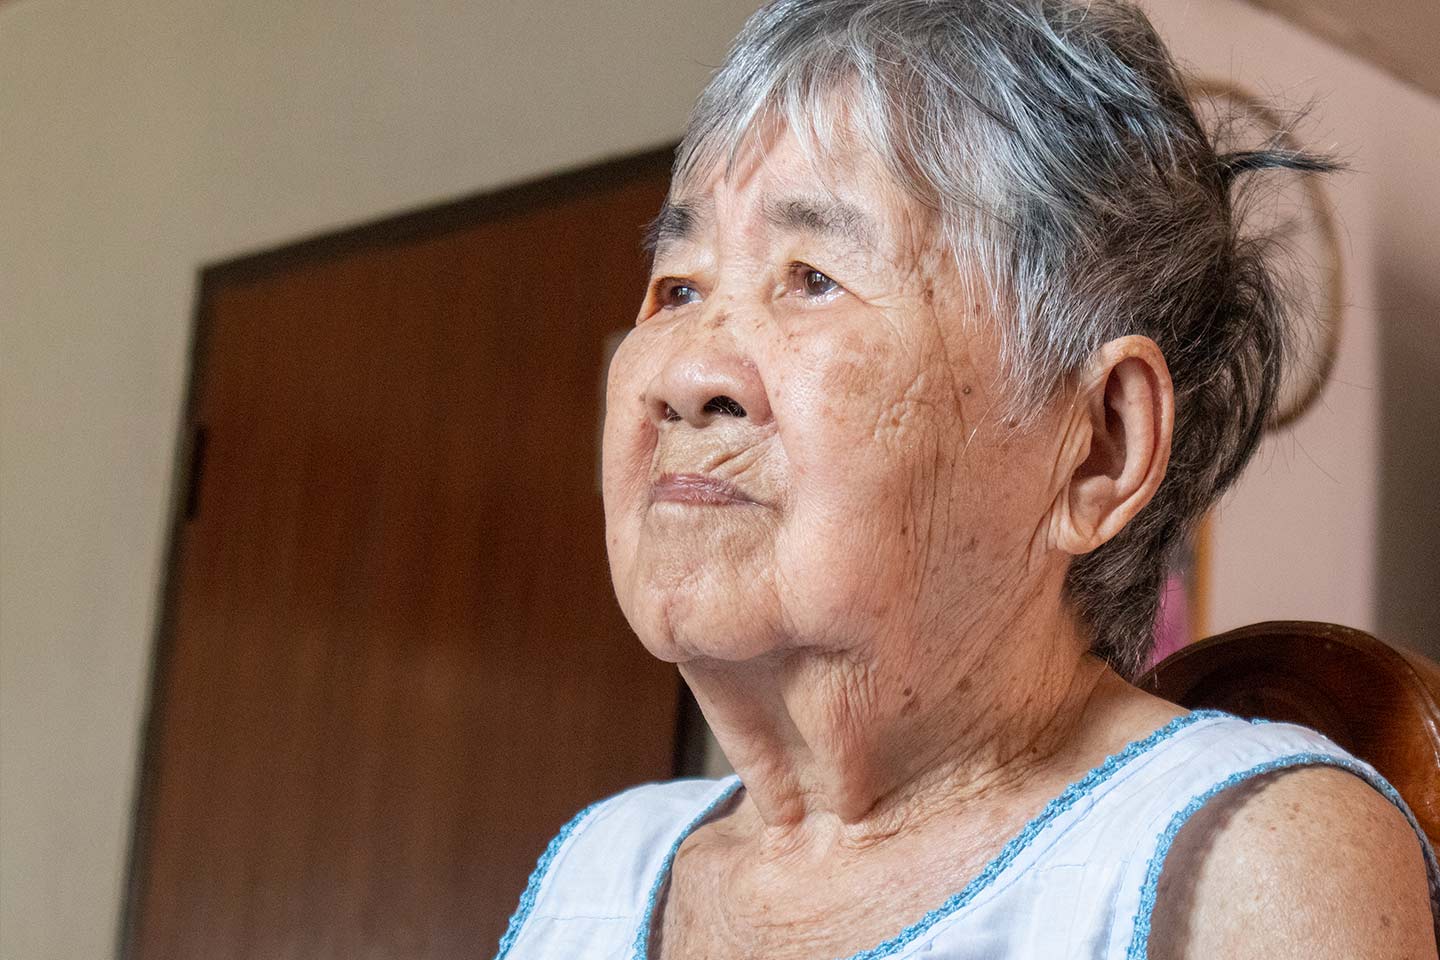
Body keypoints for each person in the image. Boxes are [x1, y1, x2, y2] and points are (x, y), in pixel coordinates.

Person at [496, 0, 1440, 957]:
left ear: (1099, 447)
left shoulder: (1252, 862)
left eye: (813, 277)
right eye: (679, 286)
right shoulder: (599, 868)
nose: (684, 375)